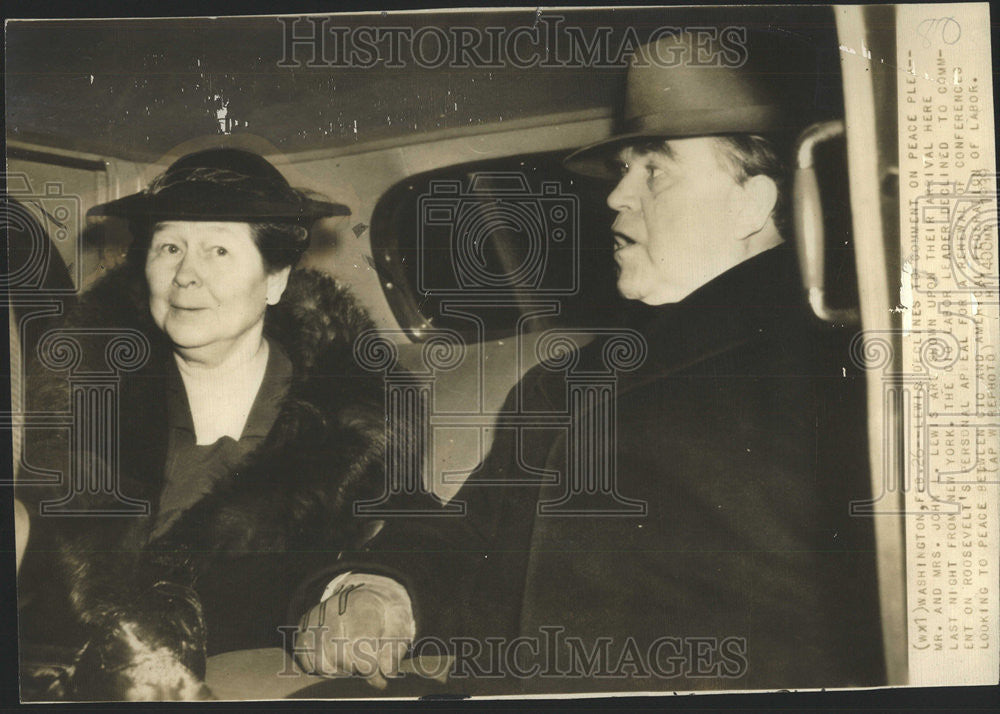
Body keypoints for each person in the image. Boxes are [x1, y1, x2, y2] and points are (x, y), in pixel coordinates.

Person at [296, 30, 884, 695]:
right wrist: (382, 590)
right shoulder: (567, 379)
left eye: (654, 169)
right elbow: (470, 532)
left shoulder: (839, 370)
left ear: (754, 202)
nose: (616, 195)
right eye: (625, 168)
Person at [14, 148, 422, 700]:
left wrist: (370, 589)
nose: (186, 274)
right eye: (170, 246)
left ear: (275, 279)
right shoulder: (77, 404)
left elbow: (416, 533)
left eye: (219, 250)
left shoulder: (347, 427)